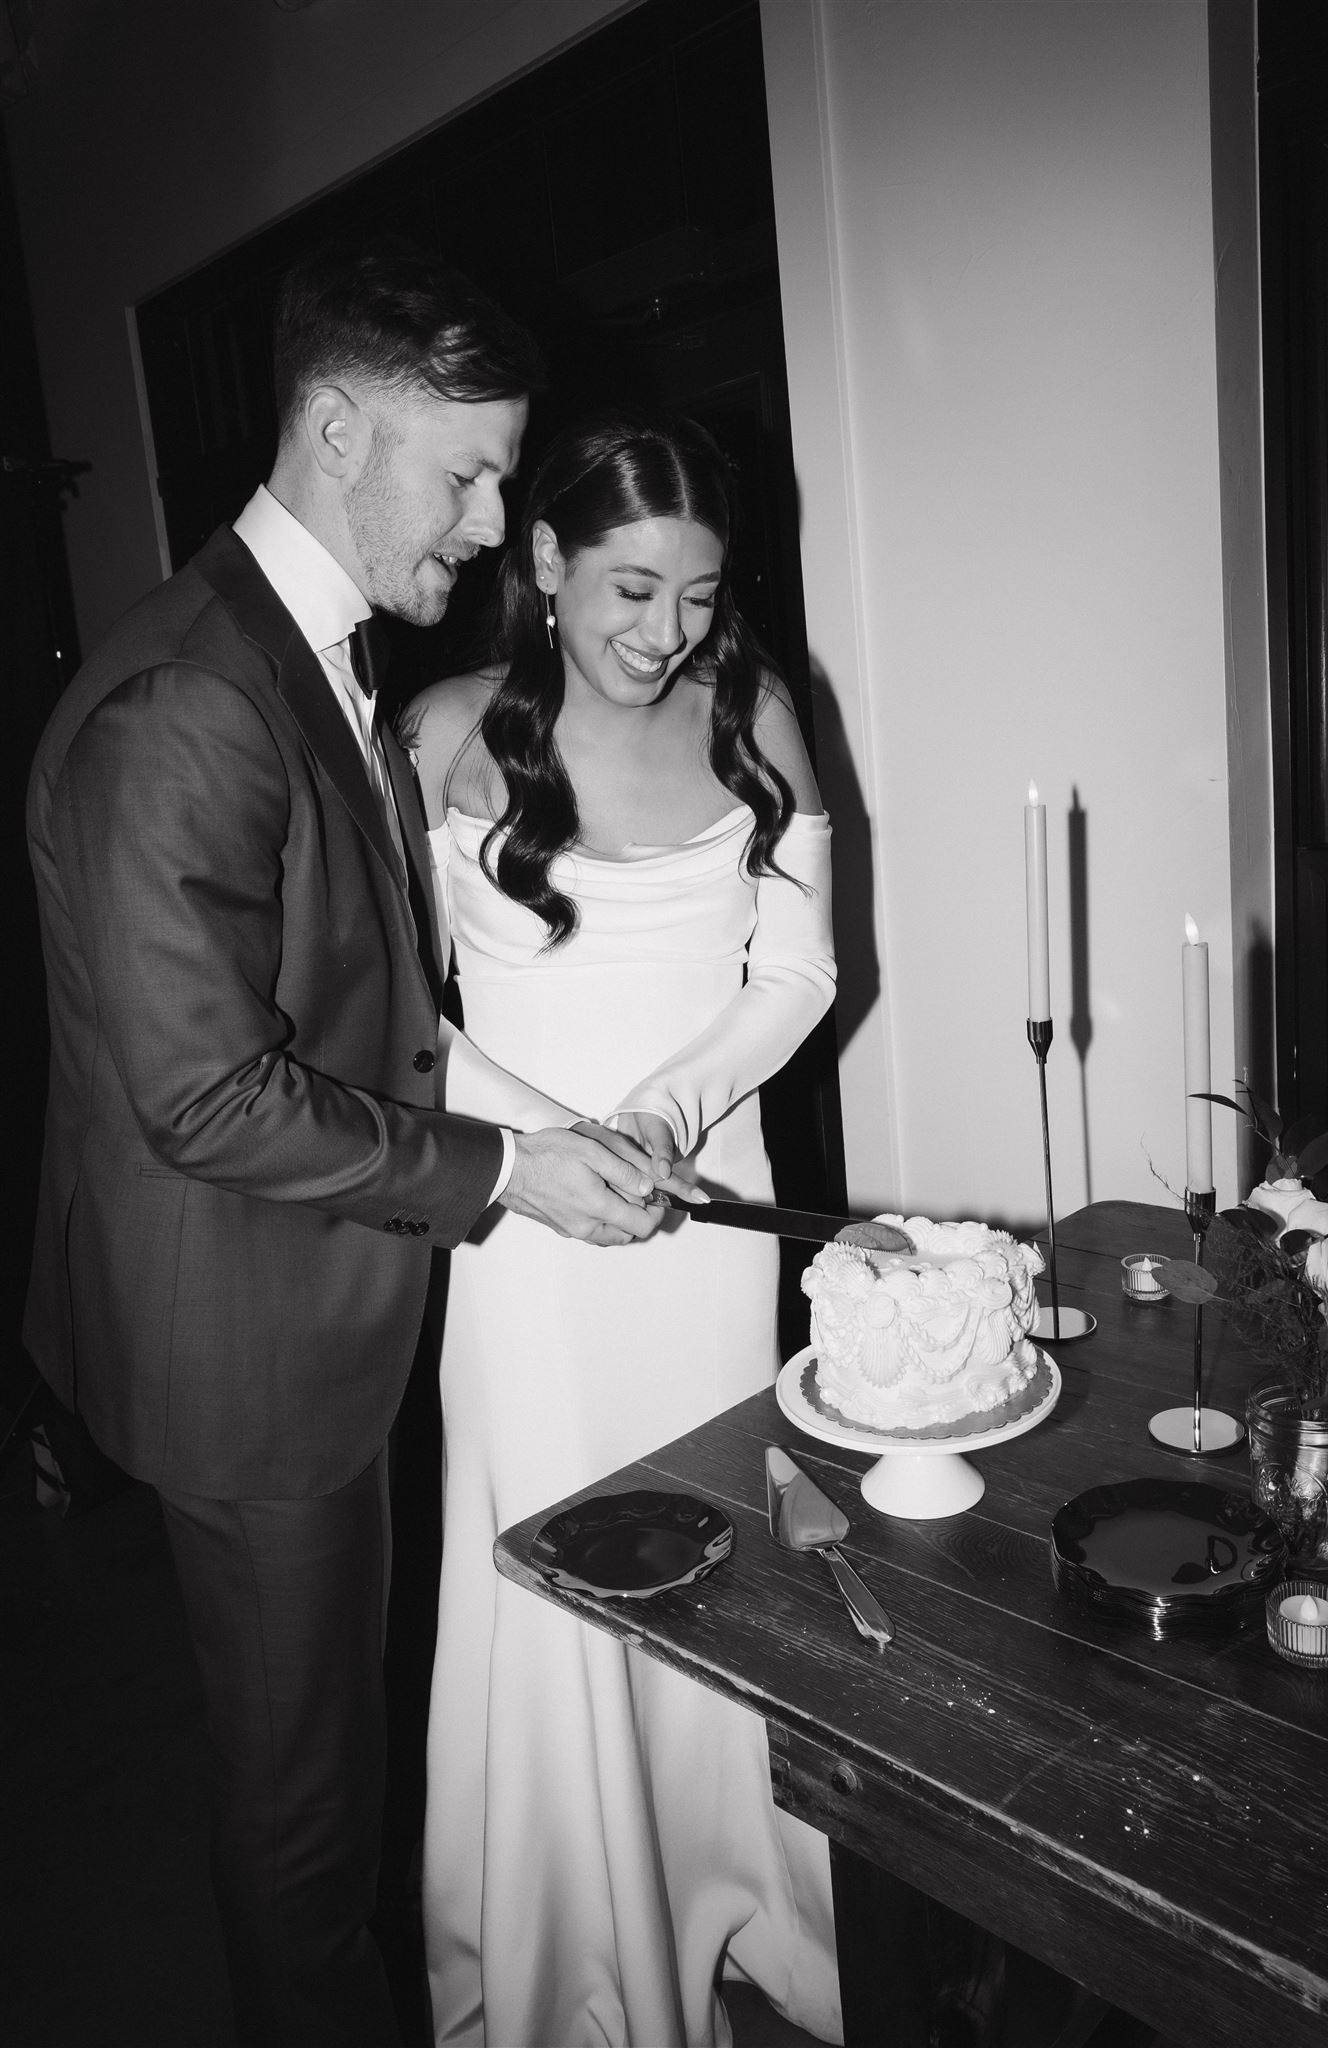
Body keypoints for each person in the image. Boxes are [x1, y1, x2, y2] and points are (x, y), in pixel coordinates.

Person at [23, 242, 681, 2048]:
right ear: (333, 429)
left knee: (327, 1784)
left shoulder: (307, 656)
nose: (489, 525)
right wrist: (504, 1180)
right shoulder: (192, 700)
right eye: (464, 472)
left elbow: (373, 1016)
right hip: (241, 1355)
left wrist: (551, 1133)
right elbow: (210, 1095)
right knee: (304, 1832)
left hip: (314, 1307)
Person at [410, 409, 844, 2047]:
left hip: (703, 1230)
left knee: (717, 1560)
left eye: (699, 593)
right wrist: (541, 1144)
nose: (665, 635)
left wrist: (663, 1118)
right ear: (540, 564)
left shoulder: (759, 716)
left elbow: (798, 975)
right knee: (554, 1573)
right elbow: (383, 1009)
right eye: (627, 589)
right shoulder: (443, 732)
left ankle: (738, 1896)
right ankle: (583, 1953)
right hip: (523, 1252)